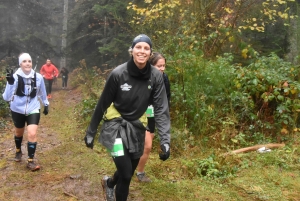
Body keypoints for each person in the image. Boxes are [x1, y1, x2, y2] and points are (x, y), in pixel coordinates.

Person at [84, 34, 171, 201]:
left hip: (137, 127)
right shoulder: (118, 74)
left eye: (146, 48)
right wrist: (91, 131)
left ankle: (109, 183)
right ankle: (114, 186)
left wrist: (165, 141)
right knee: (125, 173)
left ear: (150, 53)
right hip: (115, 126)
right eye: (138, 47)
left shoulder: (156, 76)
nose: (142, 51)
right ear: (132, 50)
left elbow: (161, 109)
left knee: (129, 171)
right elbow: (102, 103)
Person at [2, 53, 49, 171]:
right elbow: (6, 98)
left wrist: (46, 104)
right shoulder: (15, 77)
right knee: (19, 133)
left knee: (32, 133)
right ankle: (18, 151)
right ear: (20, 64)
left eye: (29, 61)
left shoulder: (38, 77)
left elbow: (42, 92)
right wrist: (10, 83)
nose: (27, 63)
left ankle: (30, 161)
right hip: (17, 108)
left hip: (33, 107)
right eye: (24, 61)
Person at [136, 52, 171, 182]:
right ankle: (125, 172)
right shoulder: (144, 78)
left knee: (146, 145)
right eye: (159, 66)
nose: (162, 68)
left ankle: (139, 172)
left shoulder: (165, 78)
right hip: (139, 114)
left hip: (152, 114)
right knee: (147, 145)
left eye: (163, 66)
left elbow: (166, 100)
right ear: (151, 66)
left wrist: (163, 118)